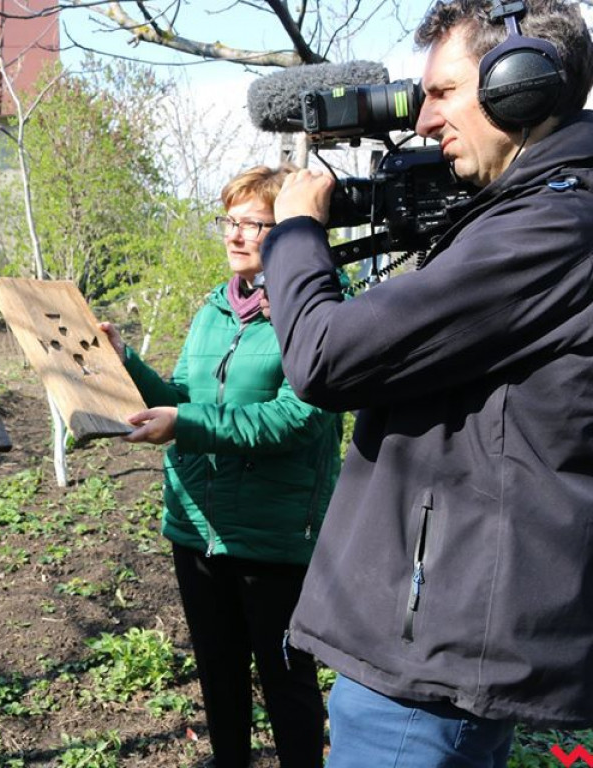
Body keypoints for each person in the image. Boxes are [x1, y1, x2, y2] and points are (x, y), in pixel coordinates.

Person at [260, 0, 593, 765]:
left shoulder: (549, 229)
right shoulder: (533, 214)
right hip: (436, 634)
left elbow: (324, 356)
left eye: (442, 92)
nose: (423, 120)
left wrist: (298, 233)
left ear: (522, 83)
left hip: (428, 658)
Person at [100, 165, 343, 768]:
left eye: (253, 224)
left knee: (287, 681)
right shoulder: (212, 310)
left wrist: (183, 425)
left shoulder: (317, 313)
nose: (235, 236)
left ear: (290, 232)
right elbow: (185, 395)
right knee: (218, 671)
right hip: (197, 527)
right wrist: (127, 363)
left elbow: (294, 422)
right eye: (229, 221)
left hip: (273, 536)